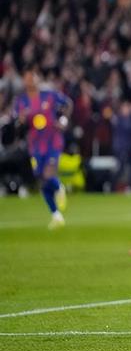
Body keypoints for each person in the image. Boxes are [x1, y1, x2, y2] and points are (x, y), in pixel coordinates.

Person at [13, 65, 71, 229]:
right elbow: (17, 123)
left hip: (53, 141)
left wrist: (63, 120)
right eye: (27, 77)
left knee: (48, 173)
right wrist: (20, 121)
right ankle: (56, 215)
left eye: (33, 76)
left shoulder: (49, 95)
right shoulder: (21, 101)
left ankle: (59, 187)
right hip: (35, 145)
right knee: (41, 178)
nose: (30, 80)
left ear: (37, 78)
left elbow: (68, 104)